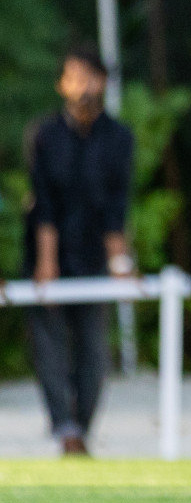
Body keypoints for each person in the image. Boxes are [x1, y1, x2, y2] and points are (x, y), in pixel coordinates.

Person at [24, 46, 135, 456]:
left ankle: (80, 429)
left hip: (91, 258)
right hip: (46, 255)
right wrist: (46, 262)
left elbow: (115, 209)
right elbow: (44, 204)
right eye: (75, 77)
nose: (84, 87)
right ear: (61, 85)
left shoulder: (119, 139)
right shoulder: (45, 135)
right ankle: (65, 429)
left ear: (103, 82)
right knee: (49, 346)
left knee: (93, 350)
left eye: (91, 77)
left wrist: (120, 264)